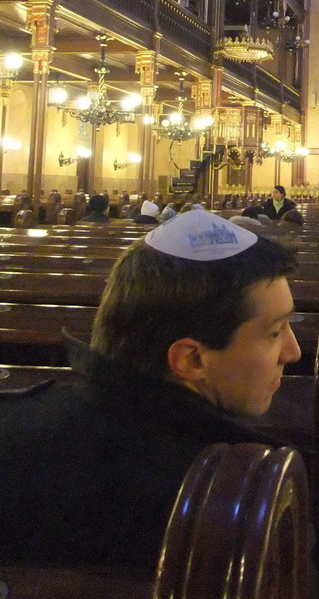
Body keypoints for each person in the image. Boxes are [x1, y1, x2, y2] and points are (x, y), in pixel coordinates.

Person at [0, 209, 301, 570]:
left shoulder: (15, 424)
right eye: (275, 332)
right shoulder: (242, 496)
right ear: (191, 359)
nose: (294, 351)